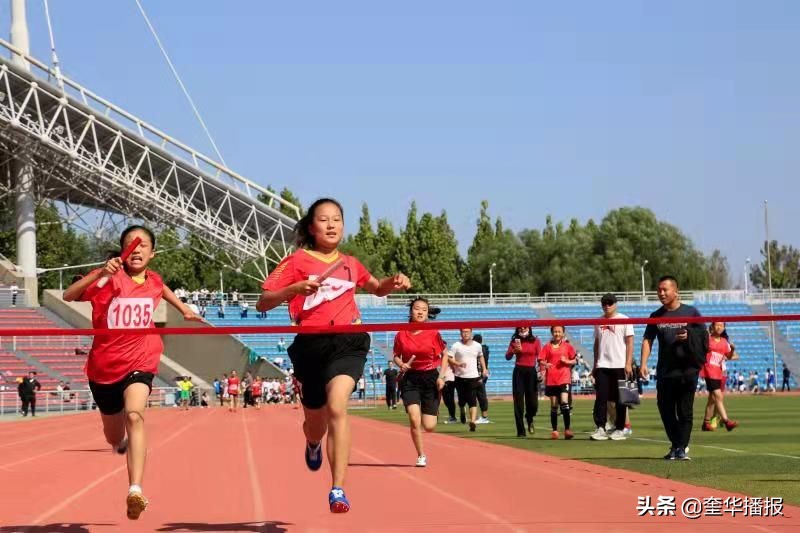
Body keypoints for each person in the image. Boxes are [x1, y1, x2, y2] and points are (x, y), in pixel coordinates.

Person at [255, 197, 411, 513]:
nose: (331, 224)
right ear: (311, 228)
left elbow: (376, 287)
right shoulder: (296, 261)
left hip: (348, 341)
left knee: (338, 406)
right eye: (324, 219)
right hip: (310, 345)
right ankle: (313, 443)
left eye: (337, 219)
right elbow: (263, 302)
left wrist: (392, 283)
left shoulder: (350, 263)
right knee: (316, 423)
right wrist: (294, 290)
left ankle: (337, 489)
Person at [62, 225, 201, 520]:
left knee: (136, 415)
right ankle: (118, 442)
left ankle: (135, 490)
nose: (136, 250)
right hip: (104, 366)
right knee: (113, 436)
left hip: (142, 357)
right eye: (130, 245)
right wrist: (101, 273)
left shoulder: (154, 280)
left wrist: (183, 308)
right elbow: (69, 295)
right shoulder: (108, 280)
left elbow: (160, 288)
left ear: (152, 252)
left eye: (143, 246)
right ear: (123, 251)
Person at [640, 275, 706, 461]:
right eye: (659, 290)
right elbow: (647, 339)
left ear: (675, 291)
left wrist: (690, 335)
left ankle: (680, 448)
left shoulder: (691, 312)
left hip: (687, 371)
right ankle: (677, 444)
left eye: (665, 289)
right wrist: (643, 363)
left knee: (685, 411)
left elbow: (703, 336)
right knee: (665, 409)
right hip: (665, 371)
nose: (661, 293)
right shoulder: (656, 316)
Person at [393, 298, 449, 467]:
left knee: (429, 426)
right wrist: (401, 364)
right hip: (410, 378)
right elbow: (396, 355)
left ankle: (434, 408)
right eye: (417, 308)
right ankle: (421, 455)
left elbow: (445, 354)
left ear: (427, 313)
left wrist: (441, 376)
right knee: (414, 418)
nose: (420, 312)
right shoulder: (401, 333)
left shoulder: (433, 332)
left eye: (424, 310)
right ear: (411, 311)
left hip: (430, 377)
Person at [590, 294, 634, 441]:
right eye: (604, 303)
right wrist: (595, 364)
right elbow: (596, 344)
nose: (607, 306)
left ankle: (620, 428)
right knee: (601, 398)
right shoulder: (598, 321)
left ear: (616, 304)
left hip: (620, 365)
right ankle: (601, 427)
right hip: (603, 365)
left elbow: (630, 342)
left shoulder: (625, 320)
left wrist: (628, 363)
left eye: (610, 303)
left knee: (622, 399)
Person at [539, 326, 577, 440]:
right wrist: (545, 365)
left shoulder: (568, 346)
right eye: (555, 331)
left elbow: (575, 360)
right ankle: (555, 430)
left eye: (559, 331)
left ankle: (567, 430)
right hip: (551, 379)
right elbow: (541, 359)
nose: (557, 334)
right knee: (554, 405)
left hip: (564, 378)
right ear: (552, 333)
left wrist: (567, 361)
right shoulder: (546, 347)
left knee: (564, 402)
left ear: (563, 333)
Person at [701, 322, 739, 432]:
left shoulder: (724, 342)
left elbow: (729, 356)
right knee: (718, 396)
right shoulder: (707, 339)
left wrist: (732, 350)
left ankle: (706, 423)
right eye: (717, 325)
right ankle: (726, 421)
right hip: (709, 370)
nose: (719, 327)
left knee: (712, 399)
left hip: (718, 371)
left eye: (721, 326)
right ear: (712, 327)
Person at [449, 328, 488, 432]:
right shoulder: (456, 345)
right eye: (463, 332)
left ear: (471, 333)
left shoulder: (477, 345)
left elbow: (481, 357)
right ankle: (462, 409)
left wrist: (484, 369)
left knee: (472, 400)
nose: (465, 334)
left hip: (473, 376)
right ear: (460, 333)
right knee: (462, 400)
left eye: (467, 332)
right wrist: (457, 364)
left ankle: (472, 421)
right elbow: (449, 358)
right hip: (460, 377)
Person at [505, 325, 541, 437]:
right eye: (520, 327)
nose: (523, 329)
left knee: (533, 403)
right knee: (518, 403)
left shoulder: (536, 340)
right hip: (519, 372)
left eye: (525, 327)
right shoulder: (515, 341)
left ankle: (529, 417)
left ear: (529, 328)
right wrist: (514, 351)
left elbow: (540, 357)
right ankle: (521, 431)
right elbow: (507, 356)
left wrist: (542, 371)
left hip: (531, 371)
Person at [472, 333, 491, 424]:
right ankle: (481, 416)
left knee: (480, 395)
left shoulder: (479, 350)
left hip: (478, 375)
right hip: (482, 374)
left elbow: (479, 364)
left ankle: (484, 417)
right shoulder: (485, 349)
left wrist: (480, 376)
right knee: (480, 395)